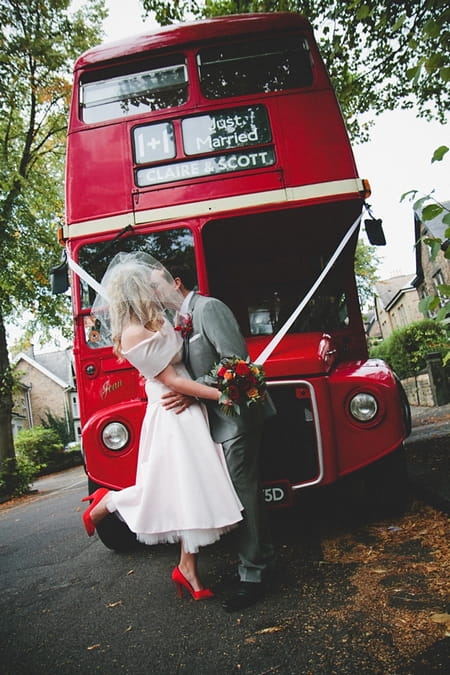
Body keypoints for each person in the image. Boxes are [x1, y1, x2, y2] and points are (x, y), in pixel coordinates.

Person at [81, 252, 243, 601]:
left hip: (188, 406)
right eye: (148, 286)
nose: (157, 290)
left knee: (191, 489)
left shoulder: (156, 321)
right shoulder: (134, 333)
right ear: (136, 292)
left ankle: (188, 568)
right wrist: (221, 394)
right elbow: (171, 378)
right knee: (169, 488)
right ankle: (108, 502)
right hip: (172, 412)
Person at [161, 264, 276, 612]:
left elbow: (236, 364)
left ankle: (255, 576)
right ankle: (252, 565)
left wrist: (194, 394)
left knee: (244, 496)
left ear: (176, 283)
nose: (153, 296)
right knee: (232, 497)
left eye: (156, 286)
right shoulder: (178, 322)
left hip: (237, 420)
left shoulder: (208, 308)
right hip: (211, 424)